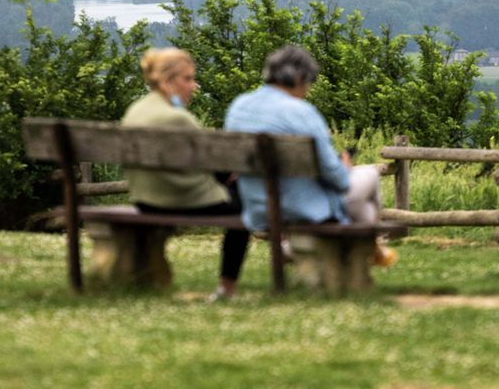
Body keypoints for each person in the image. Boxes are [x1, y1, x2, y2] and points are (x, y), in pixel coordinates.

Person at [224, 44, 397, 266]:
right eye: (309, 82)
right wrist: (344, 166)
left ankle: (370, 250)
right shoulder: (302, 112)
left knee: (361, 206)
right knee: (370, 175)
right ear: (298, 78)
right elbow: (339, 180)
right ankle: (369, 250)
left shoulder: (239, 107)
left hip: (258, 206)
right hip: (303, 208)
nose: (307, 90)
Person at [122, 47, 249, 300]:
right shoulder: (177, 118)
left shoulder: (136, 111)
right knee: (248, 204)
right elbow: (211, 162)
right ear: (168, 81)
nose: (194, 86)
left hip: (145, 199)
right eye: (188, 79)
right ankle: (227, 286)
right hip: (180, 199)